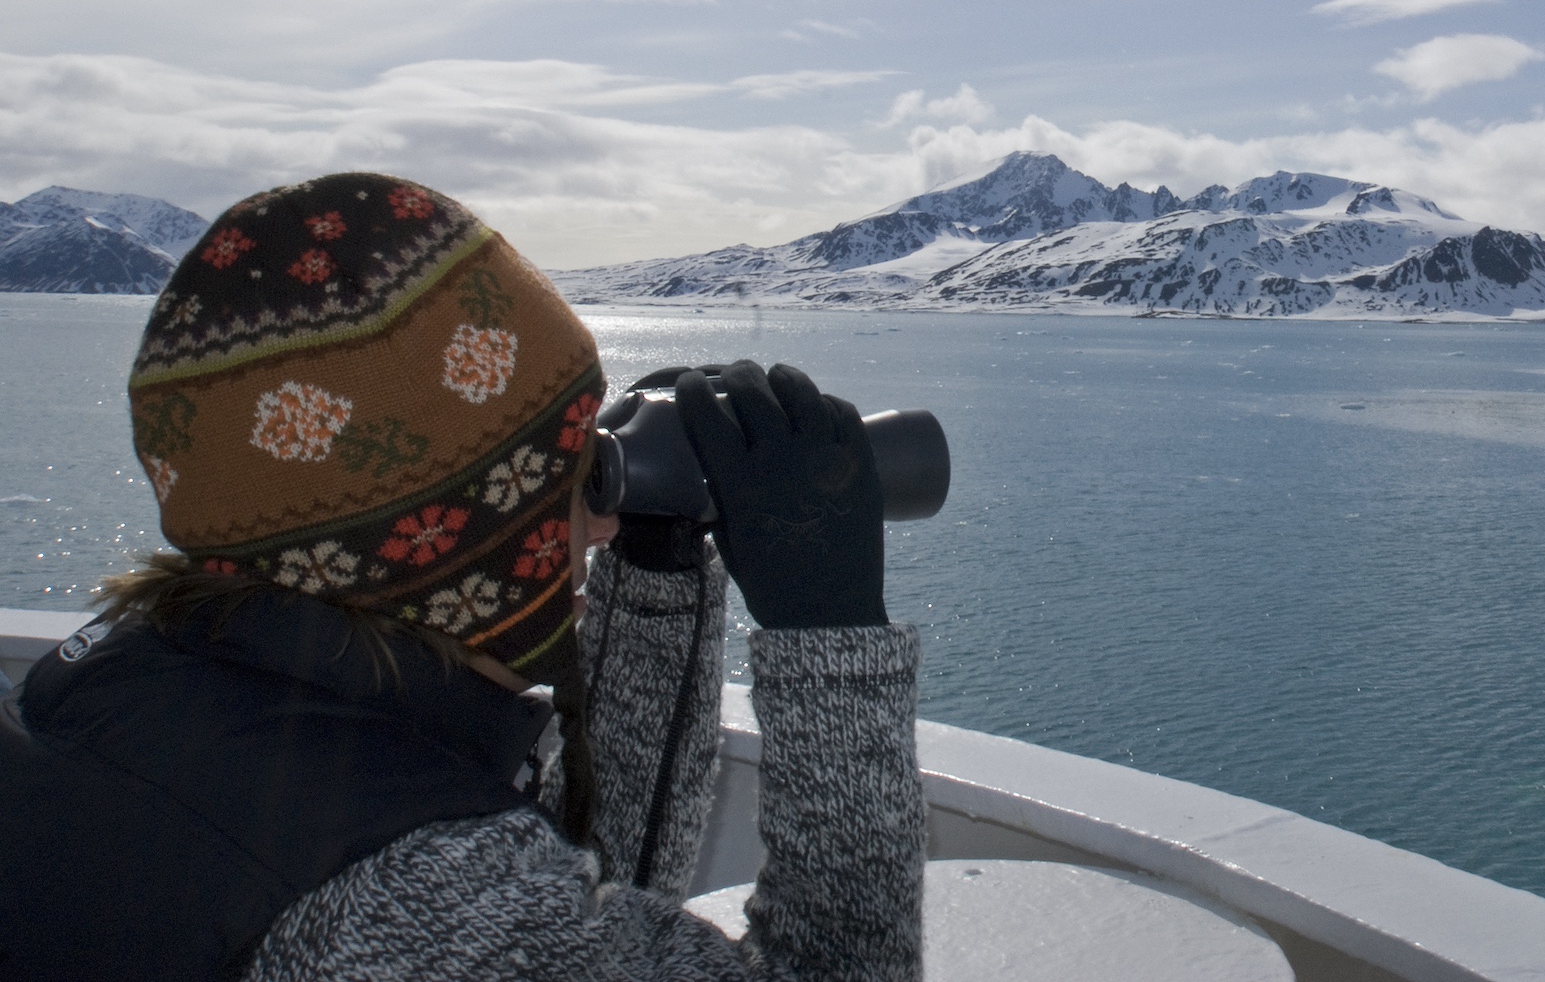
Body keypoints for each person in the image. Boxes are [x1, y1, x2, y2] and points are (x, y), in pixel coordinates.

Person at [0, 173, 922, 982]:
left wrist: (659, 569)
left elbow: (577, 906)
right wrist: (828, 637)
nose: (601, 517)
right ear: (463, 542)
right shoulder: (398, 910)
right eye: (571, 475)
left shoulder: (132, 680)